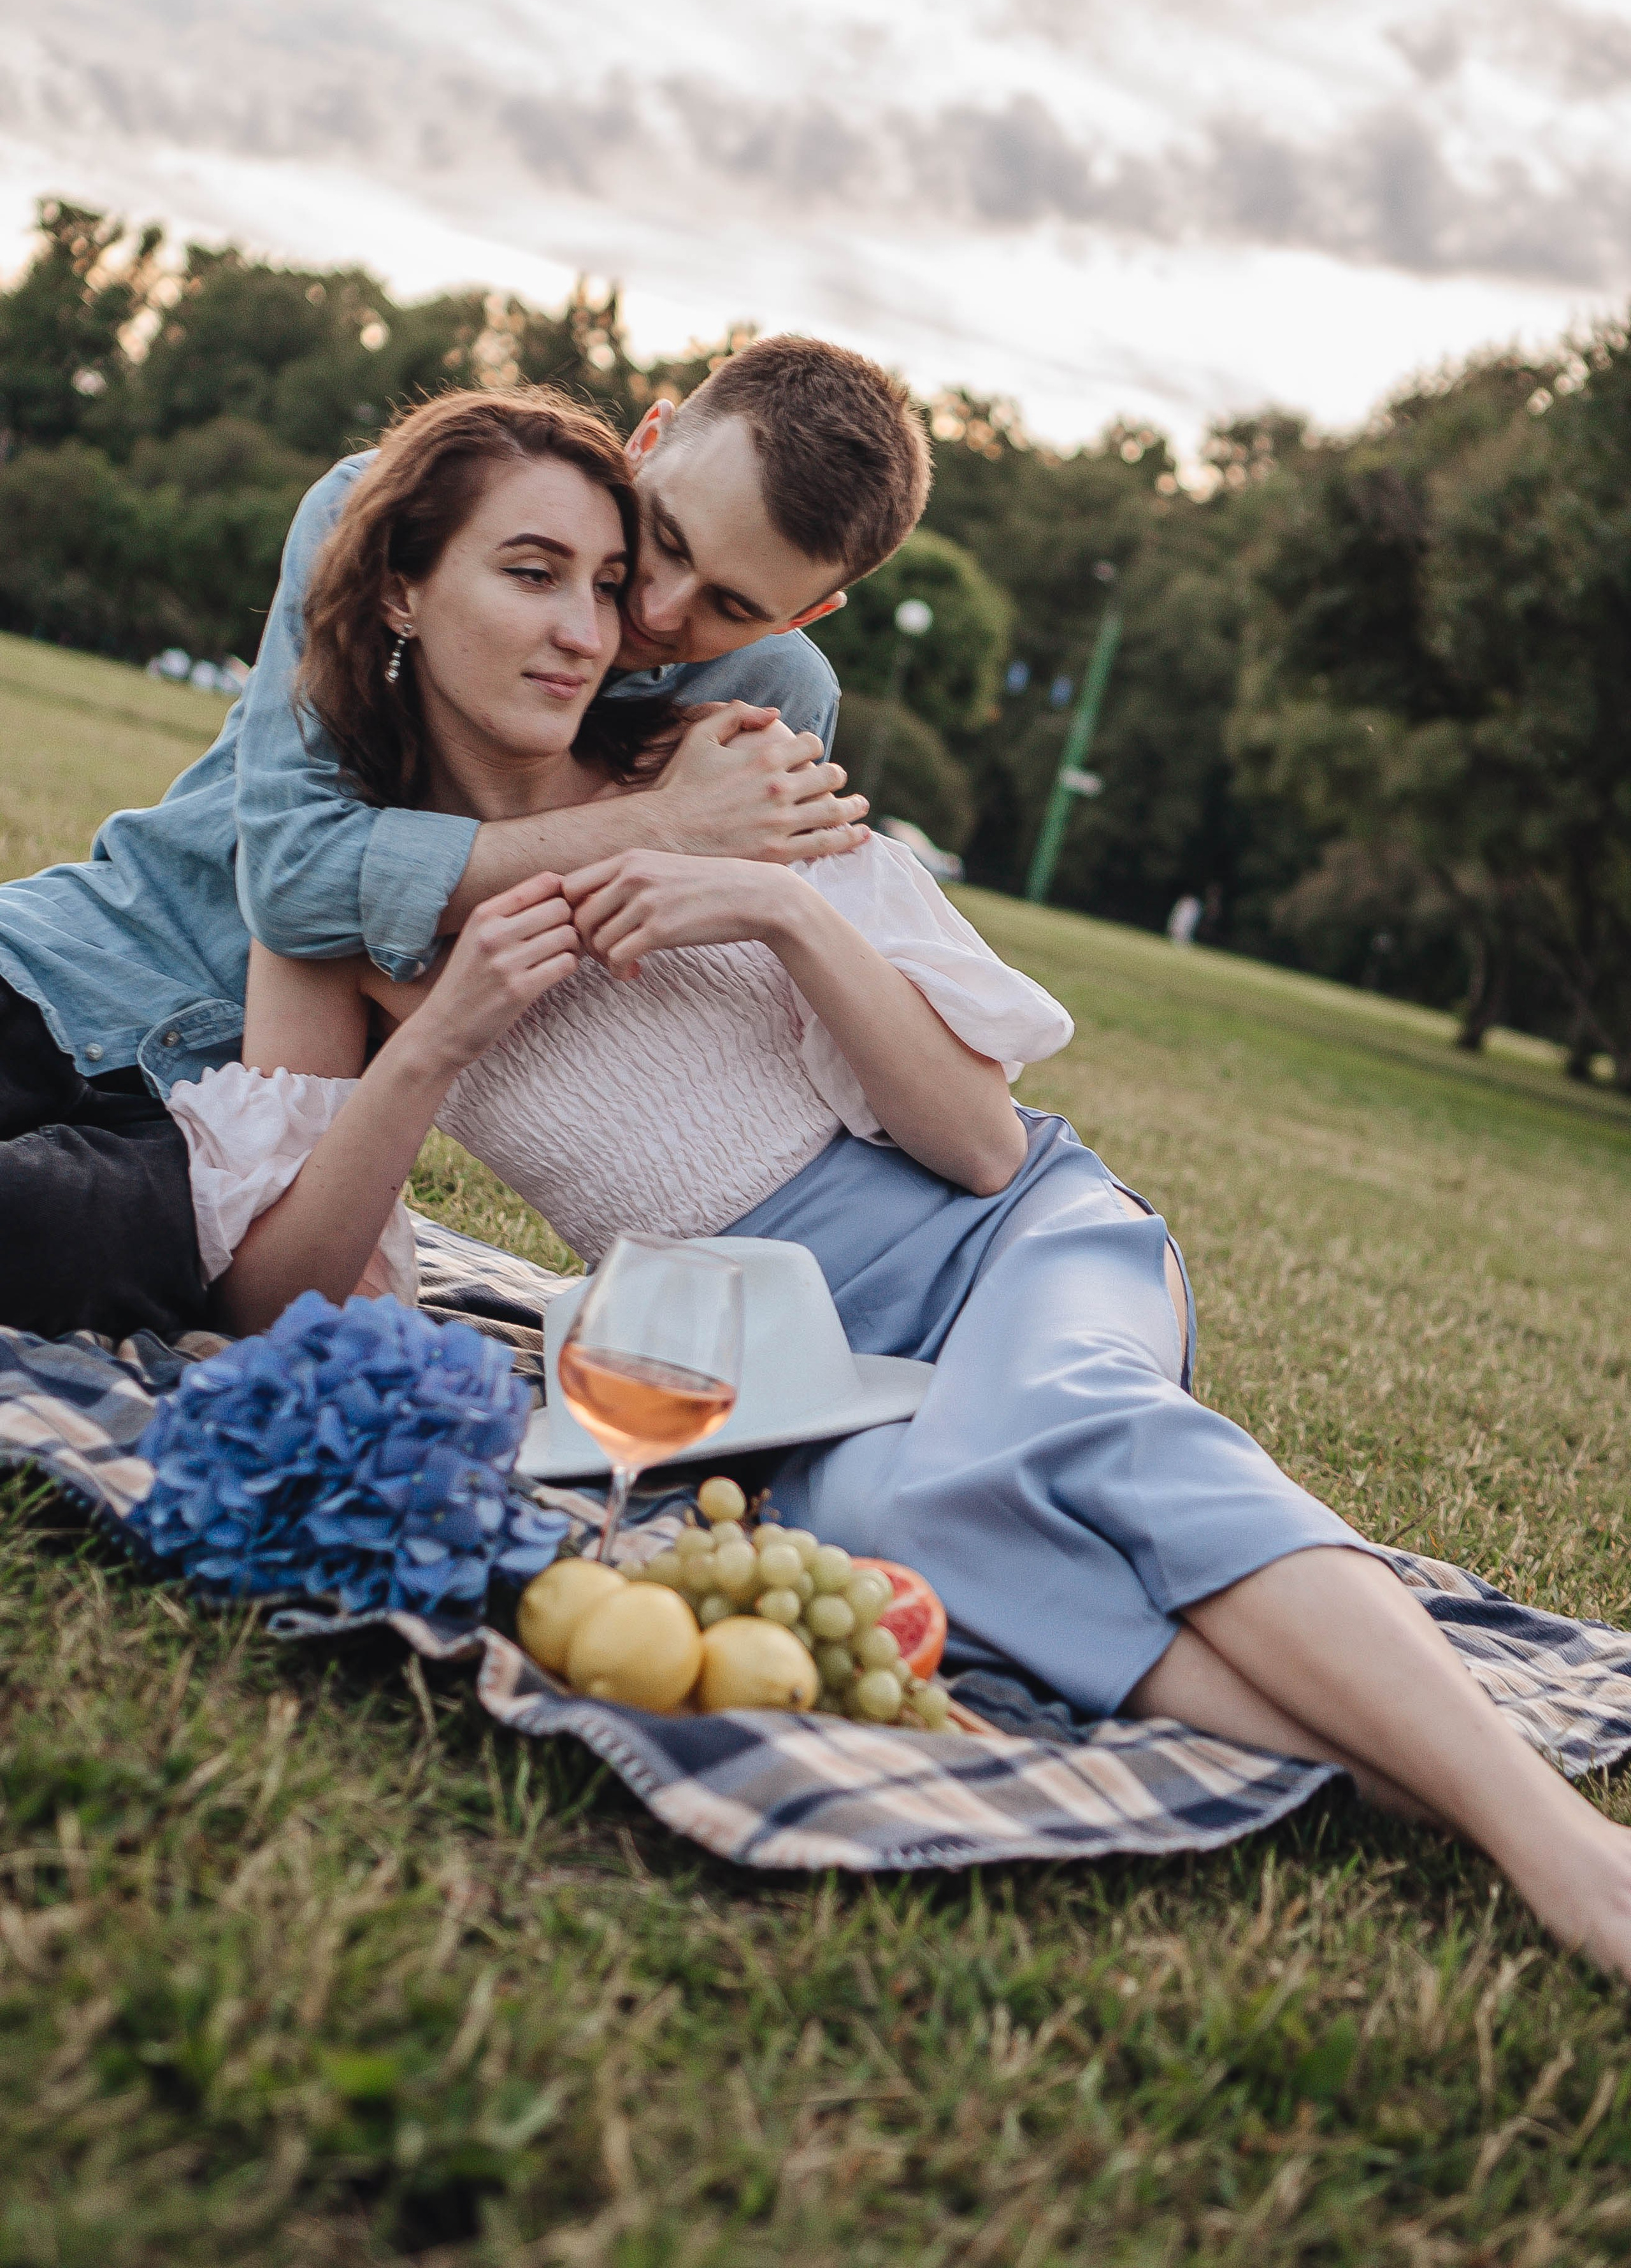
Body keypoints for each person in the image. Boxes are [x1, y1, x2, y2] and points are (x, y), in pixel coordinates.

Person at [173, 382, 1631, 1981]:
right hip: (775, 1362)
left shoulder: (733, 767)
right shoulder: (338, 920)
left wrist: (780, 909)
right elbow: (276, 1305)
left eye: (614, 587)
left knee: (1066, 1413)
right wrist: (437, 1044)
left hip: (1013, 1244)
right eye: (546, 575)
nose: (606, 626)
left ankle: (1556, 1849)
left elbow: (986, 1147)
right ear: (401, 587)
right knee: (880, 1513)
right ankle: (1402, 1757)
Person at [0, 336, 930, 1340]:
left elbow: (655, 1032)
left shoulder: (764, 708)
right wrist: (664, 822)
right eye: (664, 539)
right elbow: (298, 878)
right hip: (78, 961)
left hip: (231, 1127)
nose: (657, 612)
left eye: (735, 606)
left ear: (812, 611)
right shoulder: (410, 506)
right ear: (649, 439)